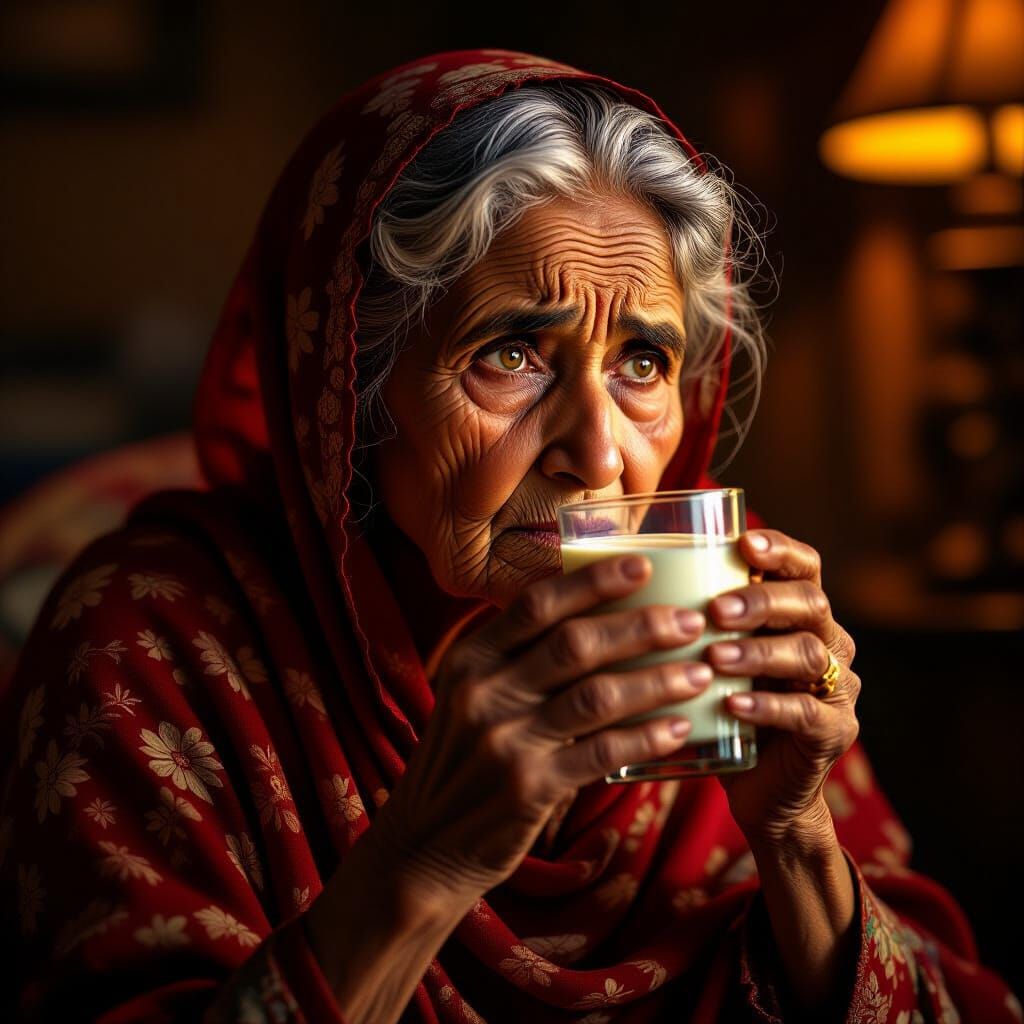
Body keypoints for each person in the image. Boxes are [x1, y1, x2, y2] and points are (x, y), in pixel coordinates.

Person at [0, 49, 1017, 1024]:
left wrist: (795, 838)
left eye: (642, 362)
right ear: (352, 396)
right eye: (514, 351)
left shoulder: (719, 652)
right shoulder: (153, 641)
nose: (598, 452)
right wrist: (427, 862)